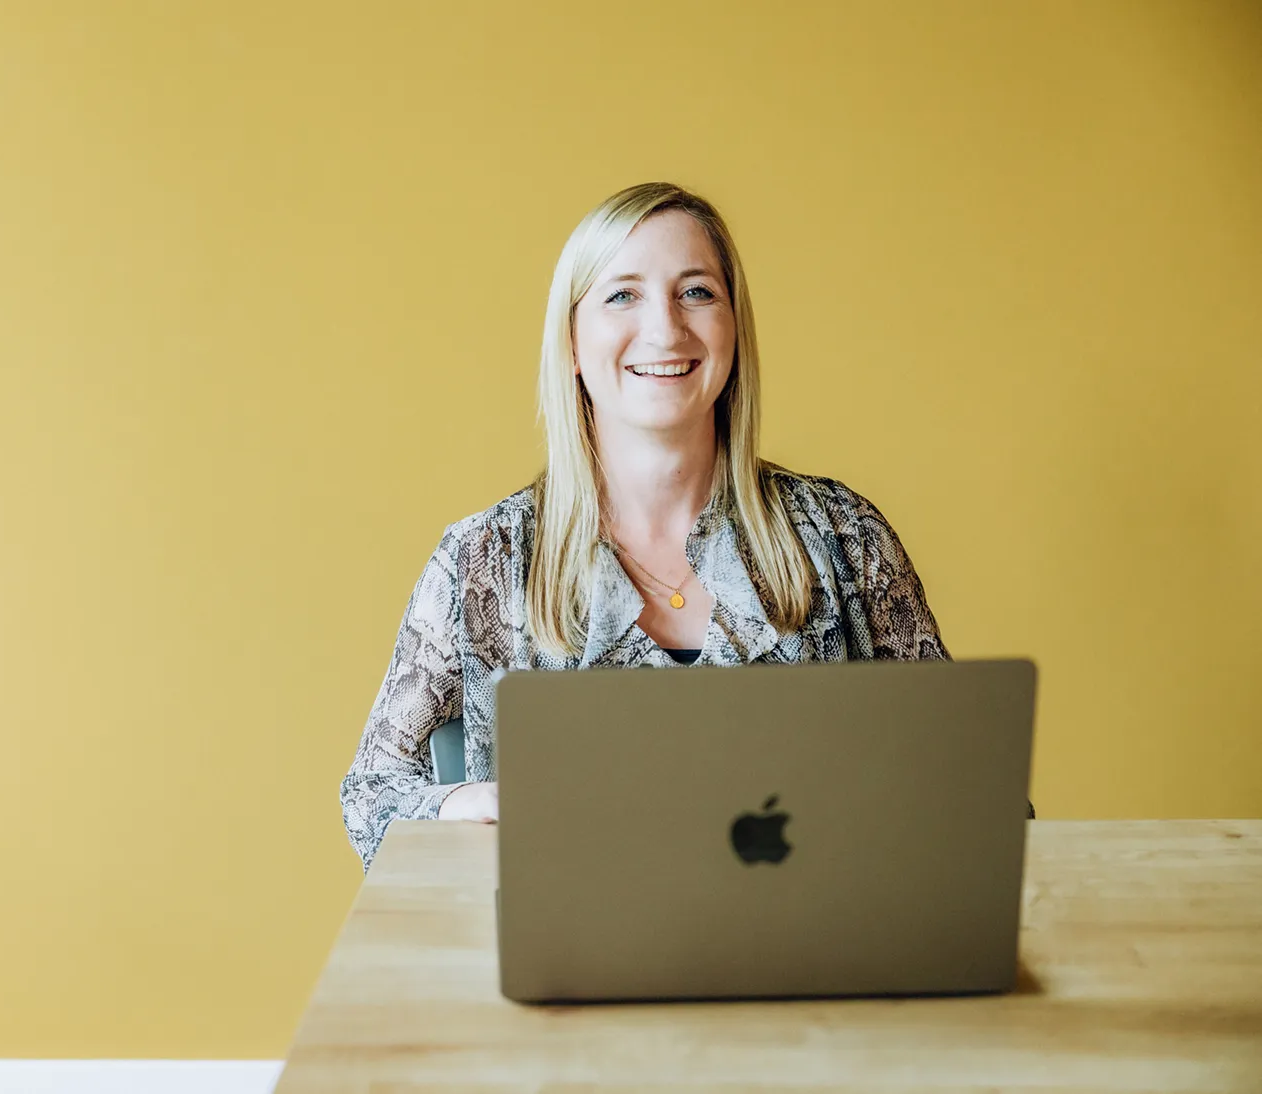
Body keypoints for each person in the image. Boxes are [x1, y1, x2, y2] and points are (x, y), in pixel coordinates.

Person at [341, 181, 977, 873]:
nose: (666, 329)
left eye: (697, 292)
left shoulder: (843, 535)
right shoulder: (482, 559)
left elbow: (970, 786)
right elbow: (369, 796)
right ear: (574, 344)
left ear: (734, 328)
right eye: (622, 295)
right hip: (573, 965)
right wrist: (448, 805)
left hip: (820, 957)